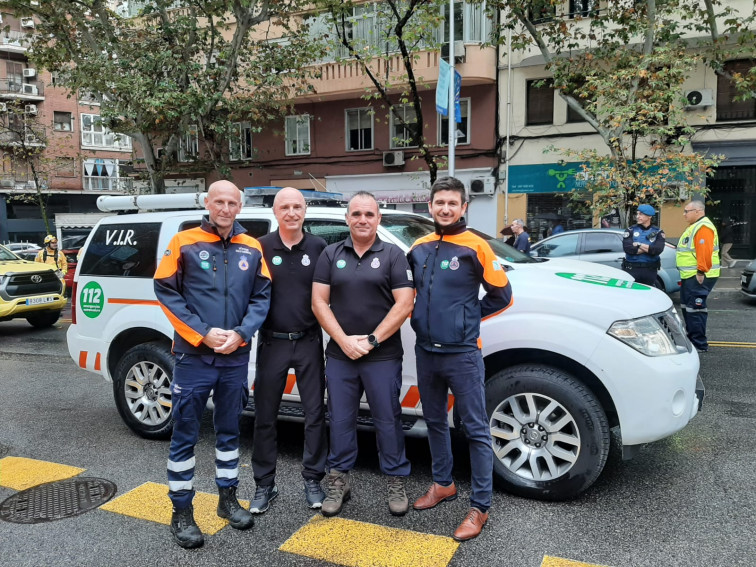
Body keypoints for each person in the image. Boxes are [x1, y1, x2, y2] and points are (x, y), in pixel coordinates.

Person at [154, 180, 271, 549]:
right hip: (194, 356)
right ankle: (182, 512)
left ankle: (227, 499)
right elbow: (165, 289)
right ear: (208, 203)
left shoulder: (251, 247)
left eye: (231, 202)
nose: (224, 208)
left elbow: (262, 296)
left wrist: (241, 333)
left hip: (234, 356)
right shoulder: (183, 242)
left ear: (240, 206)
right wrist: (202, 333)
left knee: (230, 432)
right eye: (218, 201)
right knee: (185, 434)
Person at [408, 176, 513, 542]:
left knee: (475, 429)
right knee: (434, 420)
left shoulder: (476, 246)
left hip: (464, 354)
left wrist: (466, 319)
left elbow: (503, 296)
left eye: (453, 203)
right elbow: (409, 294)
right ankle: (443, 484)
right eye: (440, 203)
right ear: (431, 206)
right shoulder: (418, 247)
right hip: (426, 352)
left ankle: (480, 506)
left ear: (464, 207)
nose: (446, 209)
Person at [311, 191, 414, 518]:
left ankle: (396, 479)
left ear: (378, 218)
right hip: (341, 356)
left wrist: (370, 341)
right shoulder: (330, 254)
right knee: (340, 420)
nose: (362, 220)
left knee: (388, 420)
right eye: (356, 214)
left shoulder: (394, 255)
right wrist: (343, 340)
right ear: (347, 218)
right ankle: (339, 479)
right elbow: (318, 302)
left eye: (369, 214)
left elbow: (405, 303)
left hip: (382, 356)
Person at [250, 188, 328, 514]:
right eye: (285, 207)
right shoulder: (261, 248)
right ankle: (265, 485)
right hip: (272, 342)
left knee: (314, 415)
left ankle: (313, 479)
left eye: (297, 206)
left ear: (305, 210)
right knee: (265, 417)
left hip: (309, 341)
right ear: (275, 210)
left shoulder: (319, 248)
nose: (292, 212)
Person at [676, 200, 720, 353]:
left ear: (698, 211)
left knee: (696, 309)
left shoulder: (703, 227)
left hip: (699, 276)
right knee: (688, 308)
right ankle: (692, 339)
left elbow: (704, 252)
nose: (684, 214)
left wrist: (701, 271)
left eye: (687, 211)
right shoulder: (695, 227)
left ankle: (699, 344)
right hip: (690, 276)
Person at [621, 204, 666, 287]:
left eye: (641, 214)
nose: (637, 216)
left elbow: (657, 250)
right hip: (632, 269)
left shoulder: (658, 232)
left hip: (649, 271)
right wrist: (648, 248)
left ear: (649, 216)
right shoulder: (630, 230)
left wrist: (638, 244)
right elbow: (628, 249)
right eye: (637, 214)